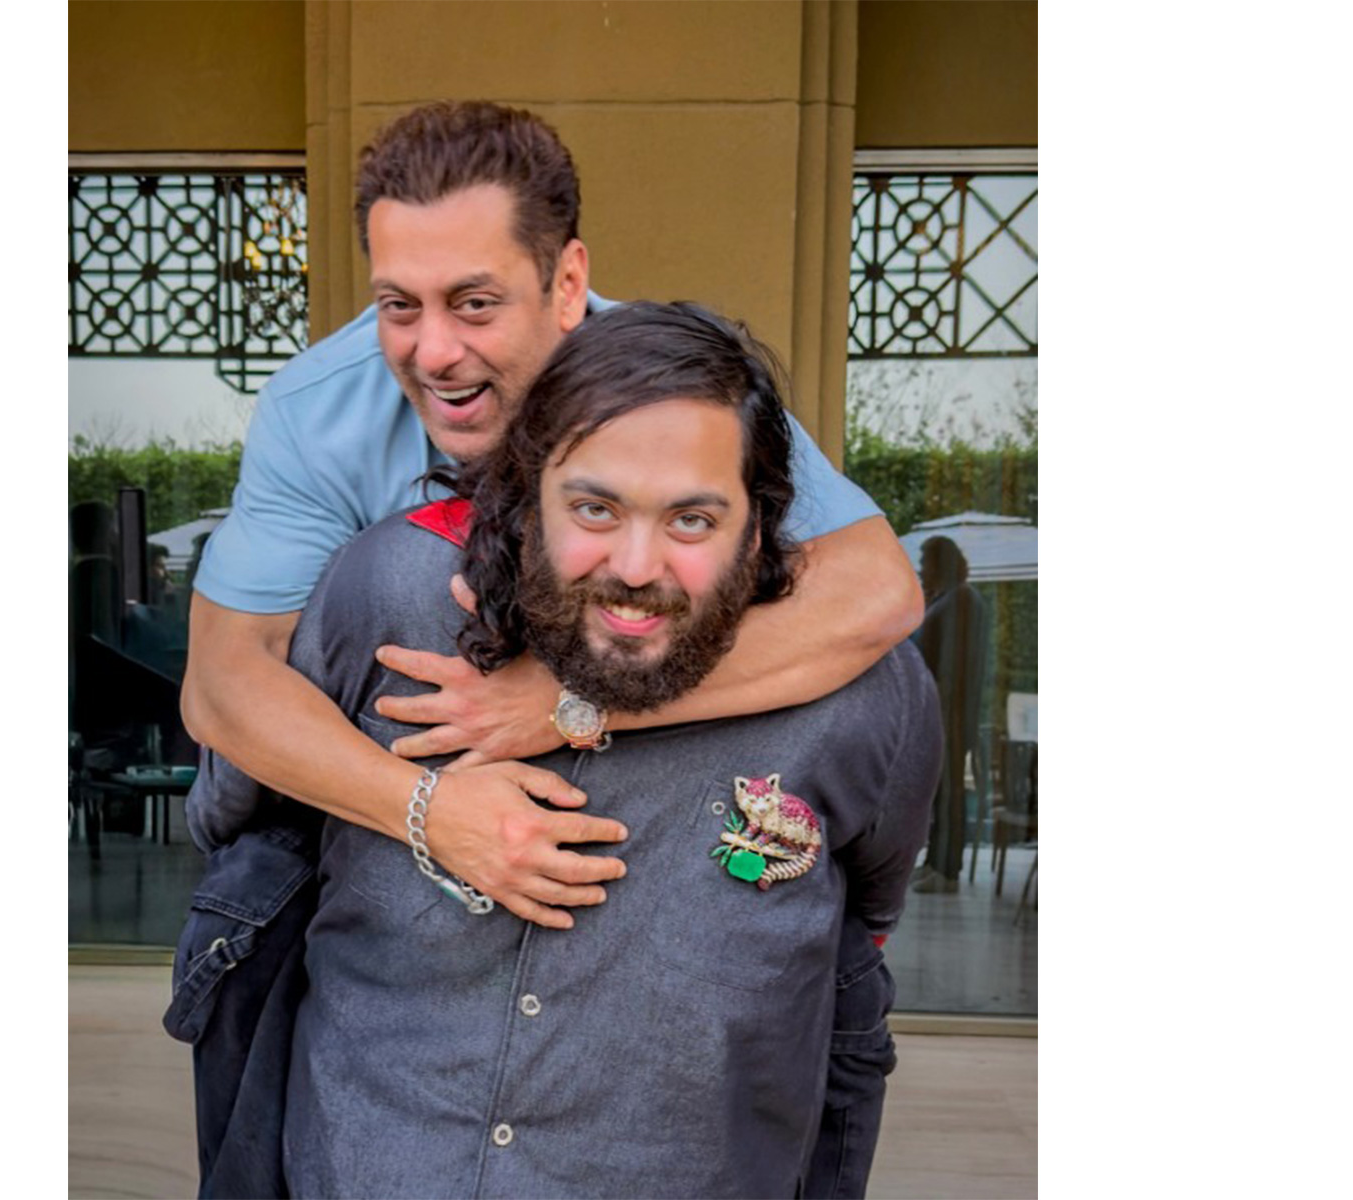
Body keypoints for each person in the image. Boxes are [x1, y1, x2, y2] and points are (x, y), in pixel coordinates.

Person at [168, 102, 923, 1197]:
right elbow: (225, 688)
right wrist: (428, 815)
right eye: (398, 306)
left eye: (475, 303)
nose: (434, 351)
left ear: (568, 285)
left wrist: (576, 704)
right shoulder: (322, 416)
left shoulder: (682, 396)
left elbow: (872, 594)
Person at [910, 536, 990, 895]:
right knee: (939, 791)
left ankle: (947, 870)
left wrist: (940, 714)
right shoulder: (947, 598)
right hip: (940, 714)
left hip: (950, 717)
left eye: (926, 562)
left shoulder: (961, 599)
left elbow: (956, 666)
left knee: (950, 792)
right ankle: (935, 863)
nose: (922, 569)